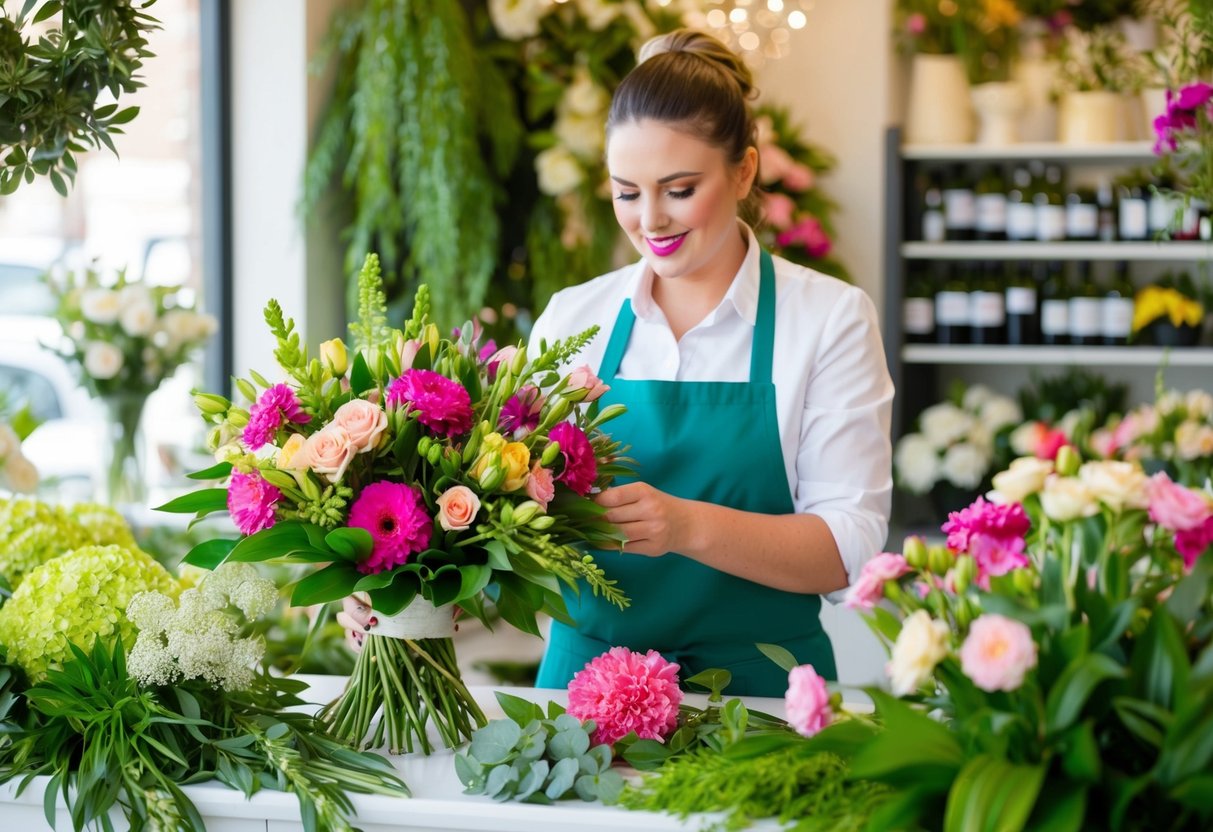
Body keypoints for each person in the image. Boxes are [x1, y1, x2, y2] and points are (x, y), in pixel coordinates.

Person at [342, 28, 893, 698]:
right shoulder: (576, 320)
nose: (650, 219)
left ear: (744, 171)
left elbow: (849, 549)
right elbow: (504, 511)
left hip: (764, 693)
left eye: (679, 188)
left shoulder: (828, 319)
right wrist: (416, 592)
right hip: (580, 691)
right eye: (626, 192)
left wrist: (687, 526)